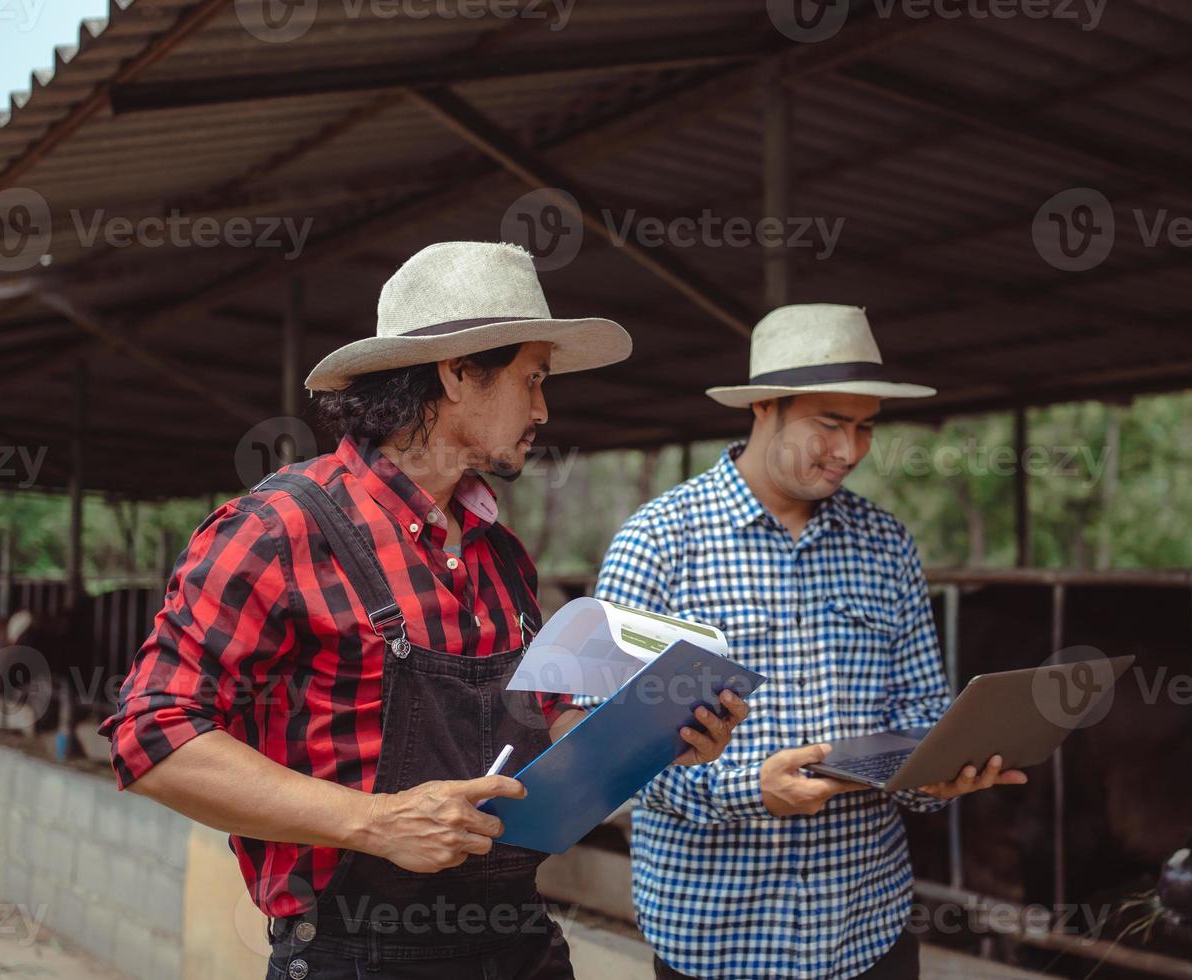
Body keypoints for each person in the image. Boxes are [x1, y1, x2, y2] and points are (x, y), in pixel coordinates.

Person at [99, 242, 748, 980]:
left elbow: (542, 728)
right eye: (531, 378)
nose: (543, 409)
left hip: (518, 943)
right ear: (458, 371)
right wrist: (375, 822)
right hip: (362, 954)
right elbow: (150, 735)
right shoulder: (283, 525)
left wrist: (659, 731)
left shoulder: (501, 553)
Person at [586, 304, 1027, 980]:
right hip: (717, 938)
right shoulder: (658, 543)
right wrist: (747, 791)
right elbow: (611, 758)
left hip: (866, 929)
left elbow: (918, 709)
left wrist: (937, 771)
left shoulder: (885, 544)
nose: (849, 451)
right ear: (765, 406)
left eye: (865, 428)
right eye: (829, 424)